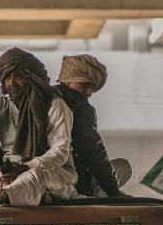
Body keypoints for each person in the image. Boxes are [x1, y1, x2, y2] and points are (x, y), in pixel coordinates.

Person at [0, 48, 77, 207]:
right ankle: (30, 194)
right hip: (11, 176)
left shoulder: (54, 105)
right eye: (7, 77)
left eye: (18, 76)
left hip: (52, 172)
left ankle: (4, 196)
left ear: (31, 78)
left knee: (35, 176)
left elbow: (59, 152)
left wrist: (26, 167)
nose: (12, 83)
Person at [54, 53, 131, 197]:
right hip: (75, 182)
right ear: (68, 80)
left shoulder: (45, 98)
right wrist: (114, 194)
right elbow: (94, 154)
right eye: (85, 84)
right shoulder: (81, 107)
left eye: (93, 87)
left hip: (48, 177)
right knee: (124, 168)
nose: (89, 92)